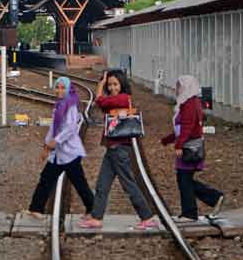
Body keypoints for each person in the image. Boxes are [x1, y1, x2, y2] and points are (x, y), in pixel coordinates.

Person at [78, 70, 159, 230]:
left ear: (122, 84)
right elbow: (104, 107)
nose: (112, 87)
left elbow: (100, 101)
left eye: (115, 84)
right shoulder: (115, 99)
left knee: (129, 184)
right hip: (112, 148)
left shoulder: (123, 98)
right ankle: (96, 217)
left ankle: (147, 217)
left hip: (119, 149)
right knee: (103, 184)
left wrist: (100, 86)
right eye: (110, 85)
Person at [25, 76, 94, 219]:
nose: (59, 90)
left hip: (69, 153)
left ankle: (93, 209)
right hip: (58, 153)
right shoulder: (59, 104)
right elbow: (53, 128)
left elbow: (70, 128)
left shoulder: (71, 105)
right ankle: (35, 208)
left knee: (79, 182)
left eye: (63, 87)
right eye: (58, 87)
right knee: (46, 179)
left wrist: (54, 142)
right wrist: (47, 145)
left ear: (68, 89)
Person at [161, 75, 224, 222]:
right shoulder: (188, 102)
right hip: (189, 145)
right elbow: (181, 128)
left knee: (184, 178)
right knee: (185, 179)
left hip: (189, 147)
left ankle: (196, 209)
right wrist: (168, 139)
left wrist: (179, 144)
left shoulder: (190, 103)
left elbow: (188, 127)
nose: (177, 89)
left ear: (187, 87)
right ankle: (199, 206)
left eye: (179, 86)